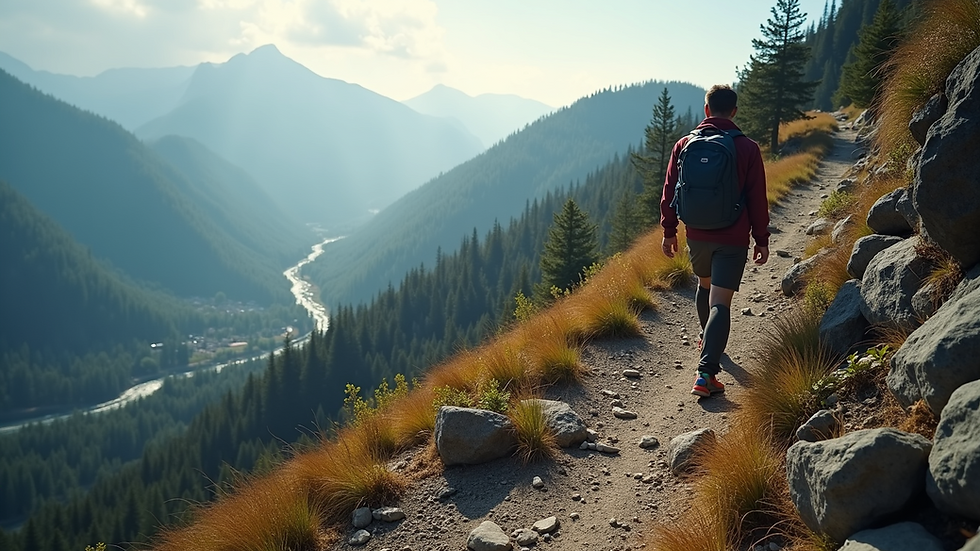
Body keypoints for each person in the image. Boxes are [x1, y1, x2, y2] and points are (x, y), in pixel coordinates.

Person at [659, 84, 770, 398]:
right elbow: (757, 199)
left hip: (696, 234)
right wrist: (761, 239)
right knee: (720, 302)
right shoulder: (747, 148)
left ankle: (705, 339)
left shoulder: (684, 144)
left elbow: (669, 193)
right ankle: (706, 374)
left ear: (706, 110)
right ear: (734, 111)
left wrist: (669, 231)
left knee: (704, 286)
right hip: (732, 237)